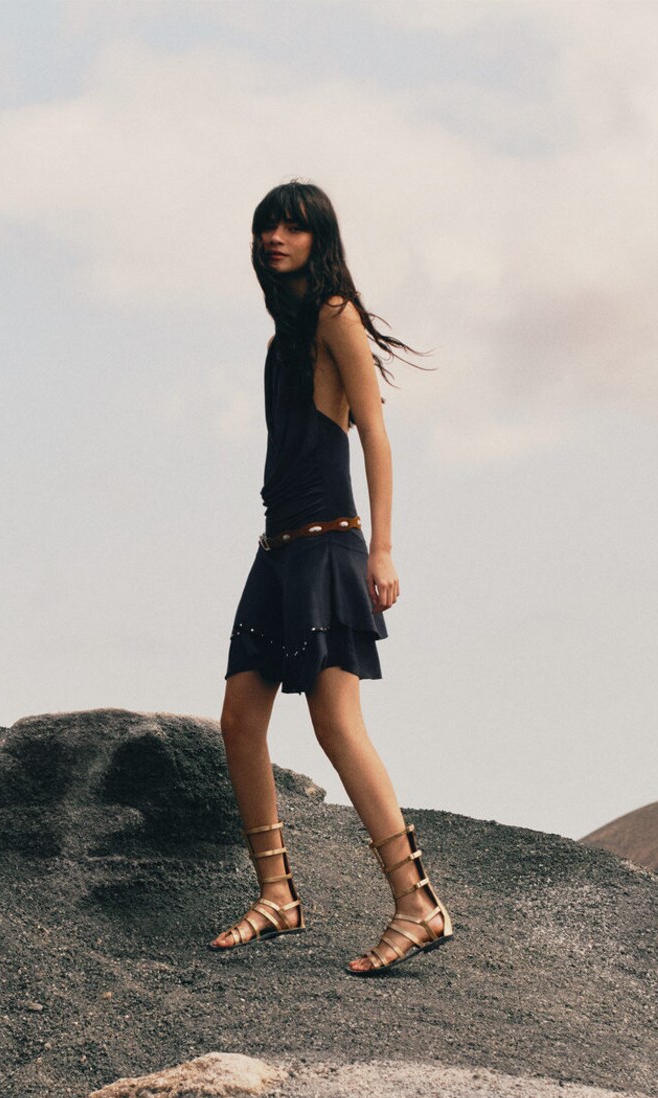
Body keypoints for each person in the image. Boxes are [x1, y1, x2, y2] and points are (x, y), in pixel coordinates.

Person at [208, 180, 454, 976]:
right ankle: (277, 896)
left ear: (320, 238)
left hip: (328, 548)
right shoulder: (283, 338)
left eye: (292, 227)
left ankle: (417, 903)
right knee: (240, 720)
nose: (275, 237)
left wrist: (384, 550)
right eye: (266, 227)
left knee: (336, 724)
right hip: (277, 549)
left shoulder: (334, 315)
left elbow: (374, 431)